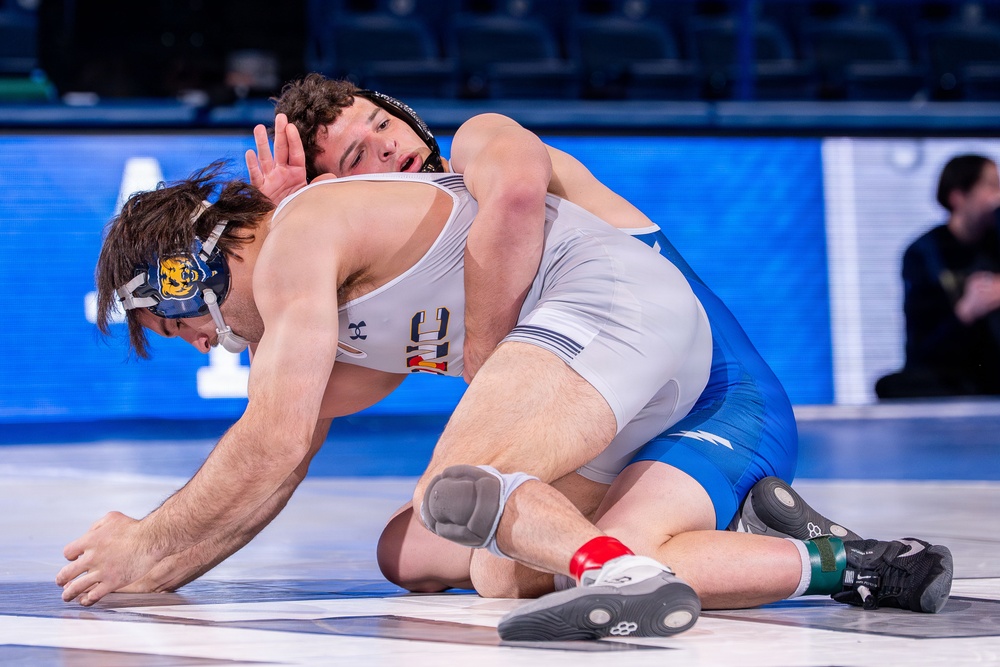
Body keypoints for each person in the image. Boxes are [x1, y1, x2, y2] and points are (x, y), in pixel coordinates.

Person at [59, 159, 953, 640]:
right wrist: (155, 565)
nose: (208, 346)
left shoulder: (299, 238)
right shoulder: (325, 294)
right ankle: (847, 564)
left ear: (186, 273)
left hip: (612, 304)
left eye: (182, 327)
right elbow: (283, 453)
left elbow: (274, 440)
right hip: (609, 367)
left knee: (460, 483)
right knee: (500, 562)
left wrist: (146, 542)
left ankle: (617, 571)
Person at [877, 154, 1000, 399]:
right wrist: (967, 311)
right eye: (992, 186)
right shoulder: (924, 254)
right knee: (892, 386)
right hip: (949, 373)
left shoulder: (995, 242)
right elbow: (922, 348)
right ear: (958, 197)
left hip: (993, 369)